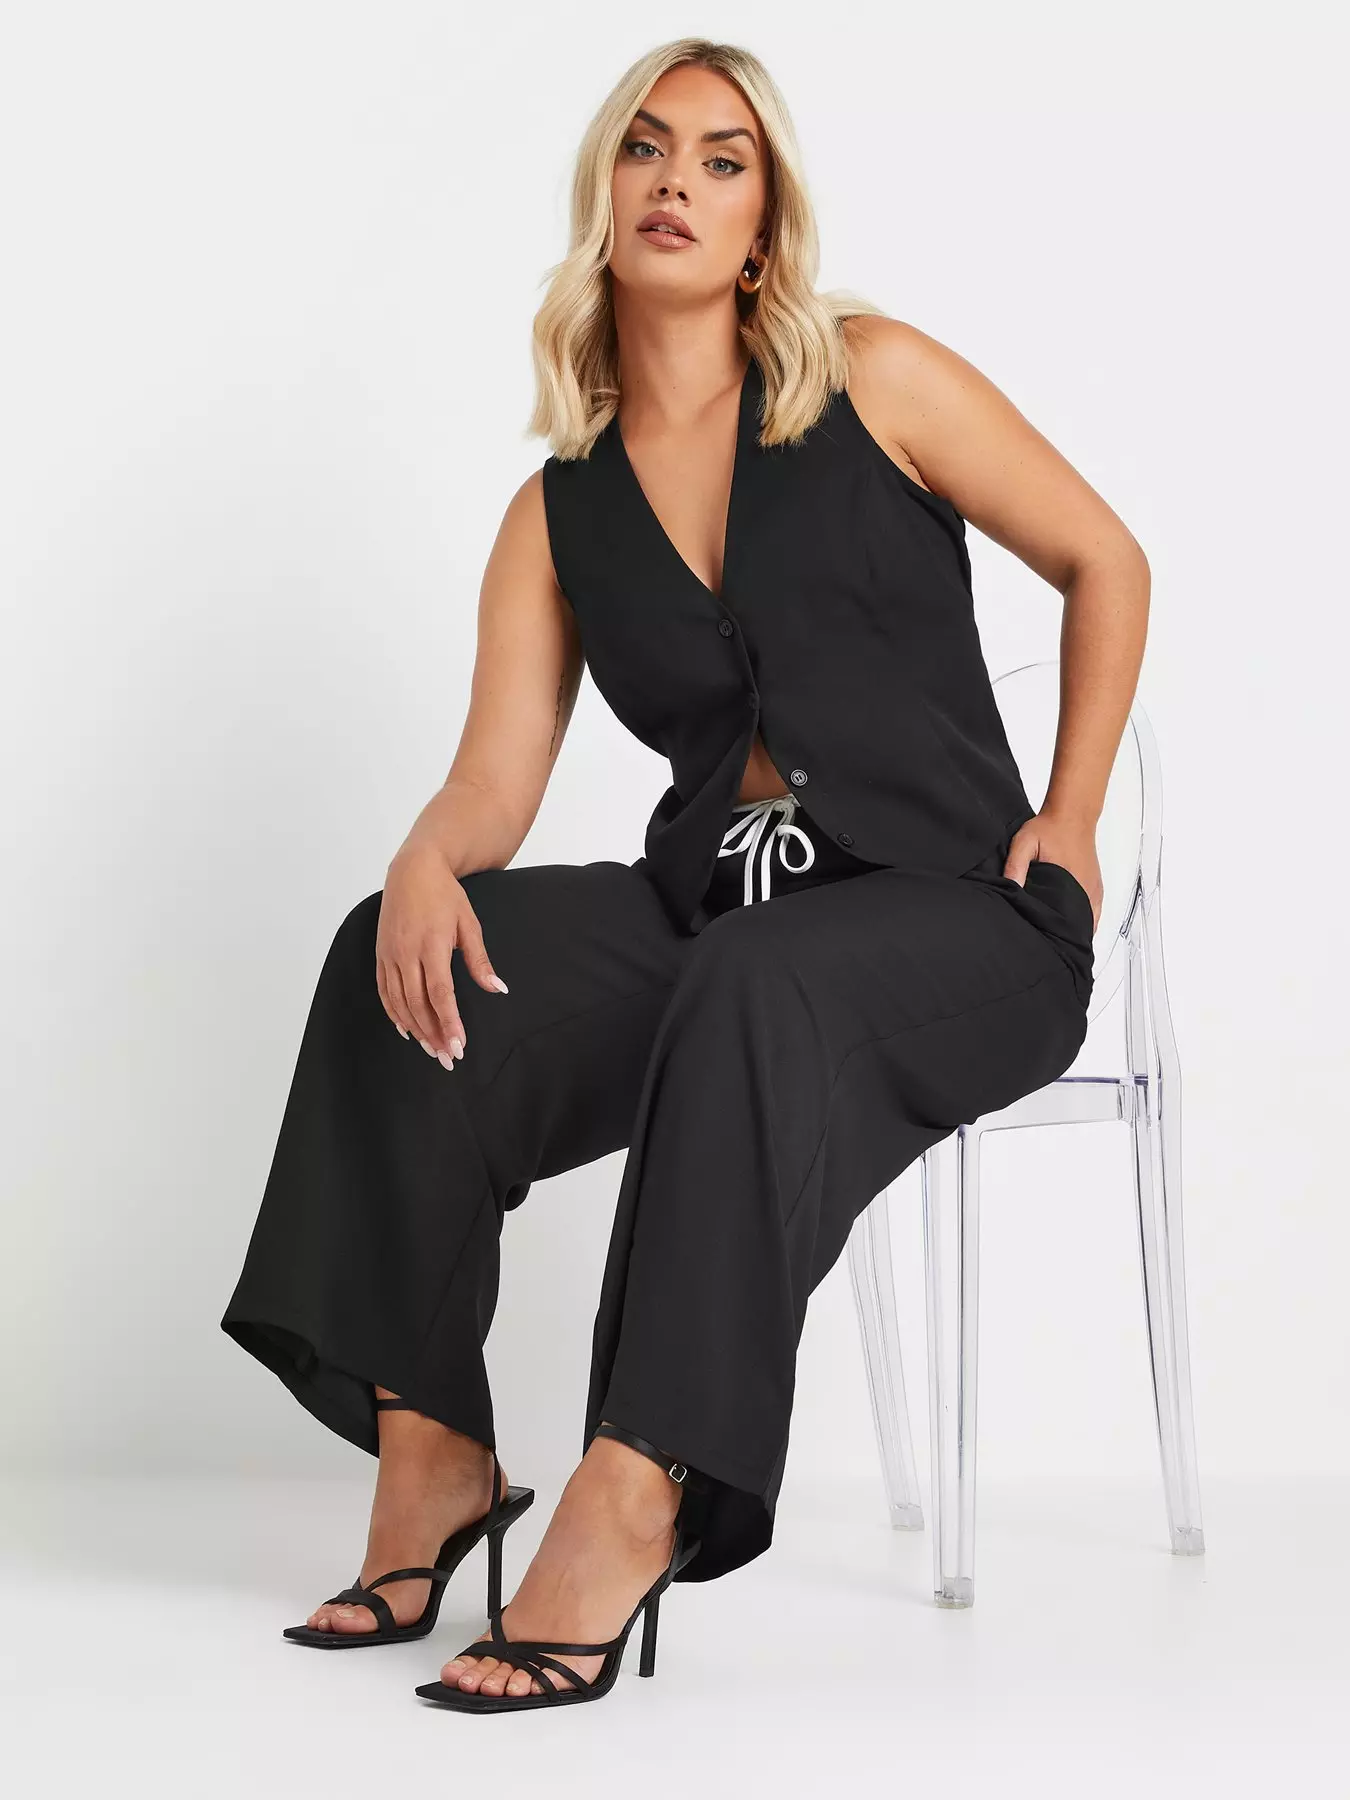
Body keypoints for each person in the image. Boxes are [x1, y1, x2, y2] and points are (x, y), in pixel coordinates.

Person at [220, 37, 1149, 1713]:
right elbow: (494, 781)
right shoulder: (556, 510)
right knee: (398, 952)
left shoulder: (873, 378)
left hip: (961, 916)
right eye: (647, 149)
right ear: (603, 190)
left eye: (724, 160)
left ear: (761, 223)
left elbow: (1104, 558)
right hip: (717, 912)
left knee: (752, 975)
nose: (677, 181)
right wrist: (426, 857)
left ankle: (638, 1486)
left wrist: (1070, 817)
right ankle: (431, 1454)